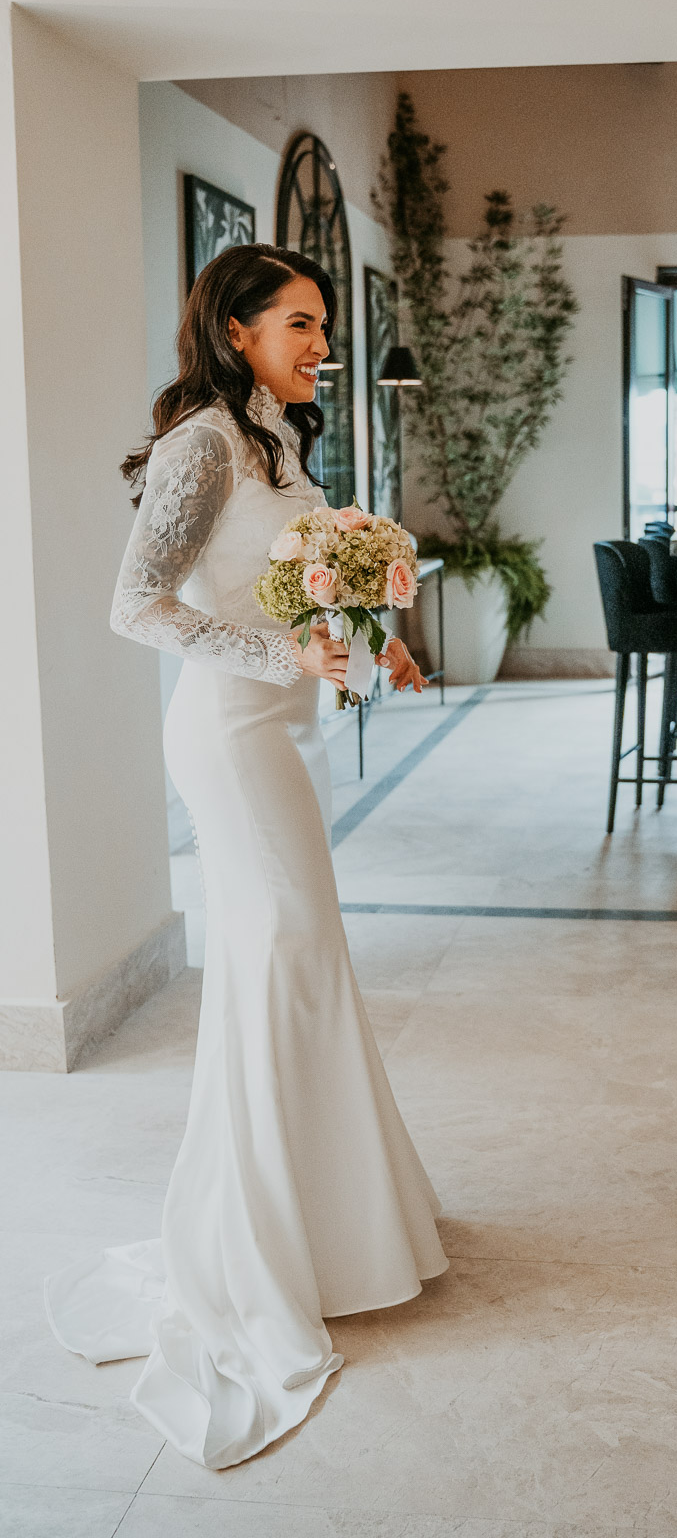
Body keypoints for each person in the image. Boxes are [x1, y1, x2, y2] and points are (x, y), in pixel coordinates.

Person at [45, 244, 448, 1468]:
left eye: (321, 322)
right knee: (283, 953)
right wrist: (285, 661)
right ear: (234, 329)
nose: (320, 341)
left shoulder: (273, 436)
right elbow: (138, 605)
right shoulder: (202, 444)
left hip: (282, 733)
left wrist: (368, 636)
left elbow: (281, 580)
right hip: (228, 735)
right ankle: (263, 1246)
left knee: (302, 958)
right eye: (301, 322)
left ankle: (329, 1225)